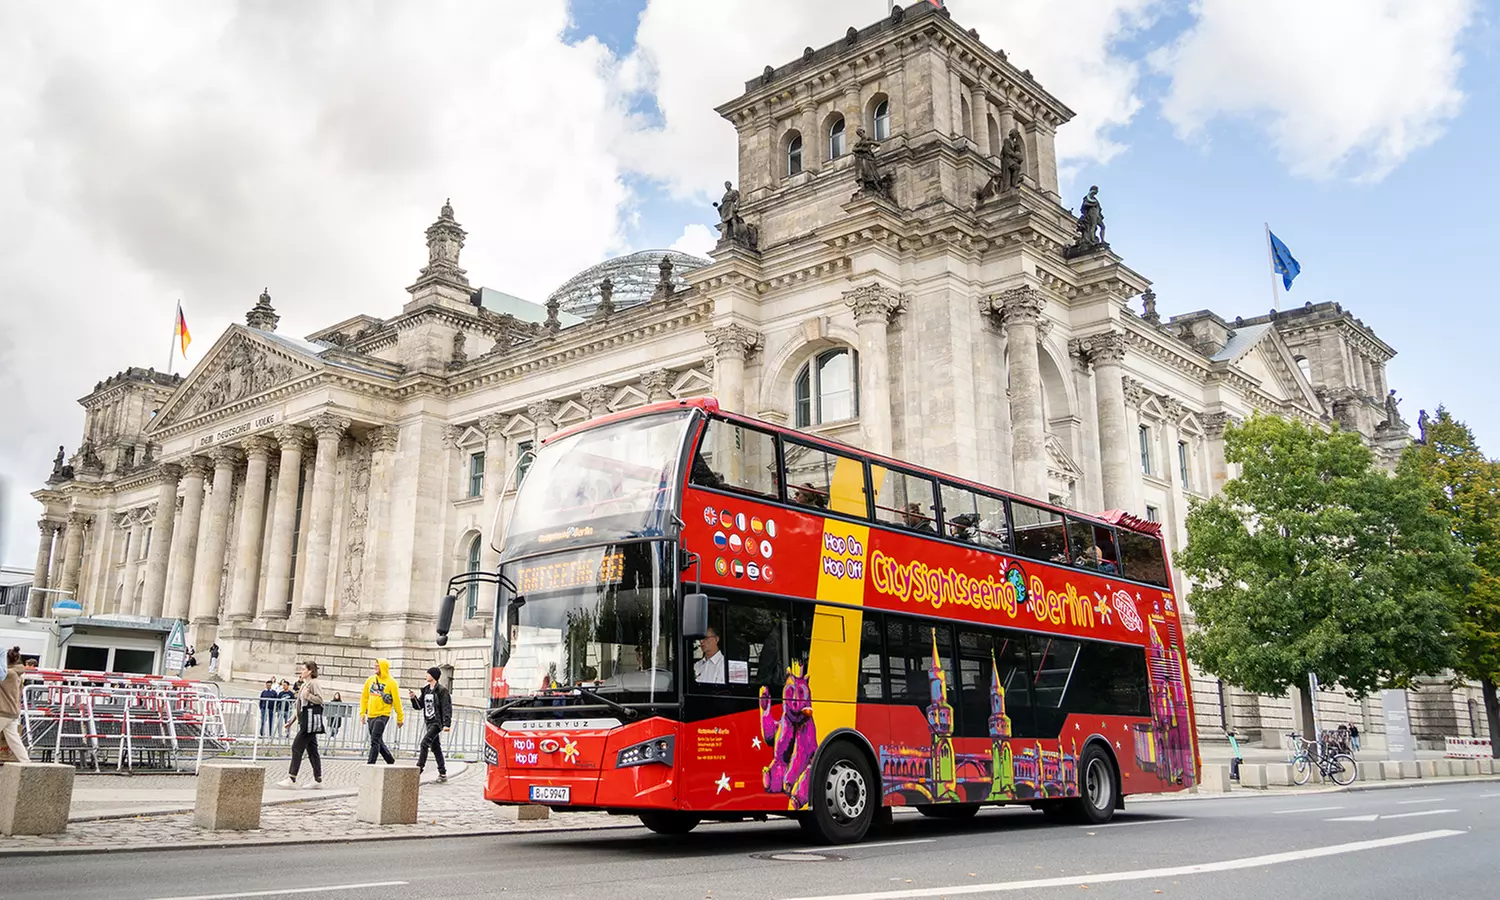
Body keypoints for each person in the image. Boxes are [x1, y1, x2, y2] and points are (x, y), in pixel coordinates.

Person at [276, 661, 324, 789]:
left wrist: (307, 695)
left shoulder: (314, 683)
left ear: (310, 671)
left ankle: (292, 777)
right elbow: (299, 706)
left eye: (303, 669)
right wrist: (291, 720)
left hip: (310, 721)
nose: (301, 671)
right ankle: (318, 779)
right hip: (304, 719)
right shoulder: (304, 684)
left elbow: (320, 700)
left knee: (296, 747)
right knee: (312, 749)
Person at [409, 667, 453, 783]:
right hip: (428, 721)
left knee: (424, 743)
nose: (426, 675)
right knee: (435, 747)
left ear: (433, 676)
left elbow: (446, 707)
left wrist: (446, 724)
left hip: (436, 722)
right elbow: (418, 706)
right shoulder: (426, 690)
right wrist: (413, 698)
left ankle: (419, 768)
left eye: (428, 674)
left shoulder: (442, 691)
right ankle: (442, 773)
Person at [360, 658, 403, 765]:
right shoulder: (370, 680)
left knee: (374, 740)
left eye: (377, 665)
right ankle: (390, 760)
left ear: (383, 667)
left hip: (383, 715)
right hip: (371, 714)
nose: (375, 666)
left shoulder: (391, 683)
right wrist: (362, 713)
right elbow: (364, 697)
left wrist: (400, 717)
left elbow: (397, 701)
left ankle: (370, 765)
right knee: (378, 740)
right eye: (375, 664)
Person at [1, 647, 32, 763]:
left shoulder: (7, 674)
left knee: (14, 739)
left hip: (2, 710)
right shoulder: (17, 674)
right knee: (14, 740)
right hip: (13, 711)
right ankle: (26, 763)